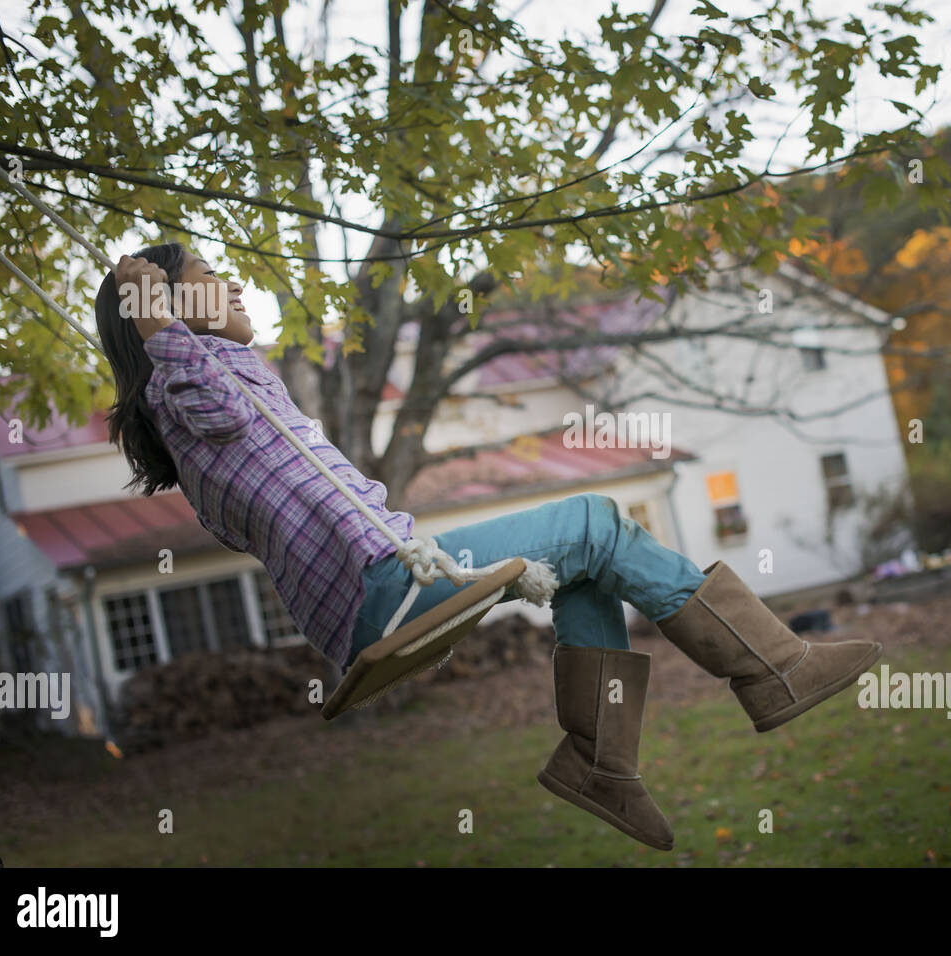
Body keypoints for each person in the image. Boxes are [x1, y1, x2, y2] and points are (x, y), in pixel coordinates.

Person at [94, 241, 882, 851]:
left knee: (583, 567)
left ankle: (603, 765)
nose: (232, 284)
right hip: (383, 590)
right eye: (207, 274)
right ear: (161, 307)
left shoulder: (221, 386)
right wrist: (151, 313)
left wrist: (167, 316)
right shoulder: (184, 391)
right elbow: (197, 387)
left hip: (390, 580)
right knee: (593, 520)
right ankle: (775, 666)